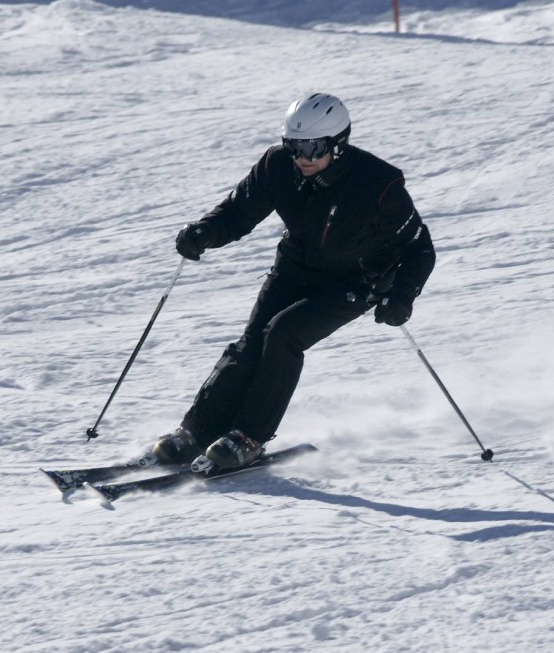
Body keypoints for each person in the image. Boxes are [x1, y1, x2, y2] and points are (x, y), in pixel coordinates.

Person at [150, 93, 436, 471]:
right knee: (251, 341)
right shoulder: (278, 166)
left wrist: (402, 297)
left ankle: (249, 437)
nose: (303, 157)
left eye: (313, 148)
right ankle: (195, 432)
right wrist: (204, 231)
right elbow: (238, 211)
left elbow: (420, 248)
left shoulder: (378, 185)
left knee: (282, 335)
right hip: (295, 267)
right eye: (294, 146)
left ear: (338, 144)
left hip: (355, 280)